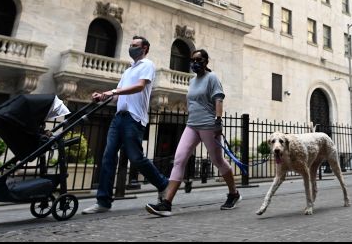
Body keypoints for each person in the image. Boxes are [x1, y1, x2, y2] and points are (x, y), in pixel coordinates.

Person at [145, 49, 240, 216]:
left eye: (198, 60)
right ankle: (166, 203)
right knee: (179, 159)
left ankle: (233, 193)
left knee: (218, 161)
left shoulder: (212, 78)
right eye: (192, 60)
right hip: (192, 125)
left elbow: (218, 99)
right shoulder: (192, 81)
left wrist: (218, 121)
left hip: (208, 125)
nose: (195, 63)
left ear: (206, 61)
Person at [83, 36, 169, 214]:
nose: (131, 48)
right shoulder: (127, 71)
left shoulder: (147, 65)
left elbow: (139, 87)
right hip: (118, 117)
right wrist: (102, 96)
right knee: (108, 157)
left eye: (135, 46)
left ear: (145, 48)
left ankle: (163, 183)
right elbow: (117, 96)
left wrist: (113, 91)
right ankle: (103, 202)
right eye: (131, 45)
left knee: (136, 158)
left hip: (133, 118)